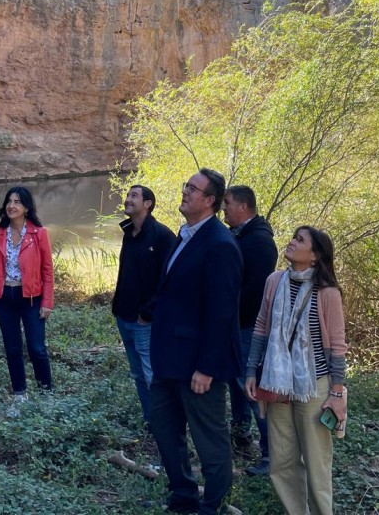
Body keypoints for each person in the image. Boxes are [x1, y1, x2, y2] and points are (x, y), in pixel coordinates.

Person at [148, 168, 242, 515]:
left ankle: (213, 505)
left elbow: (222, 313)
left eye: (193, 188)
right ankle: (183, 496)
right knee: (163, 427)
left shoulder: (220, 244)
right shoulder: (184, 234)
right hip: (168, 359)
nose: (185, 192)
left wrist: (206, 367)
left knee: (209, 439)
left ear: (210, 201)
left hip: (198, 366)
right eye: (185, 185)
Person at [245, 226, 348, 515]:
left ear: (315, 256)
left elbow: (337, 345)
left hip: (314, 385)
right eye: (293, 237)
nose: (291, 242)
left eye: (300, 240)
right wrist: (252, 370)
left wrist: (337, 392)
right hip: (277, 383)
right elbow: (262, 326)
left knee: (316, 461)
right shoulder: (274, 281)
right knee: (282, 460)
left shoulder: (327, 292)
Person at [0, 186, 54, 415]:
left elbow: (47, 271)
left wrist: (47, 302)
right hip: (5, 297)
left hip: (32, 297)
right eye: (9, 201)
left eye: (17, 202)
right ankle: (19, 395)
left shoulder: (39, 233)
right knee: (12, 348)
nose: (11, 206)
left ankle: (46, 394)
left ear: (27, 207)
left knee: (36, 347)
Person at [223, 185, 278, 475]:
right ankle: (241, 434)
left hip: (249, 327)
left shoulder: (259, 241)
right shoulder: (241, 235)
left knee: (253, 389)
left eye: (228, 204)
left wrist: (231, 313)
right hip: (236, 326)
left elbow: (256, 291)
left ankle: (271, 455)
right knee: (236, 383)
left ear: (243, 207)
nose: (224, 210)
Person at [112, 184, 176, 426]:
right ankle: (152, 423)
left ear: (148, 204)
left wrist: (147, 314)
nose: (128, 199)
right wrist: (117, 307)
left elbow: (168, 281)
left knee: (152, 376)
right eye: (128, 195)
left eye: (134, 196)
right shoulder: (129, 232)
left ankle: (167, 427)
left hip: (145, 322)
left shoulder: (162, 236)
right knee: (138, 374)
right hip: (124, 316)